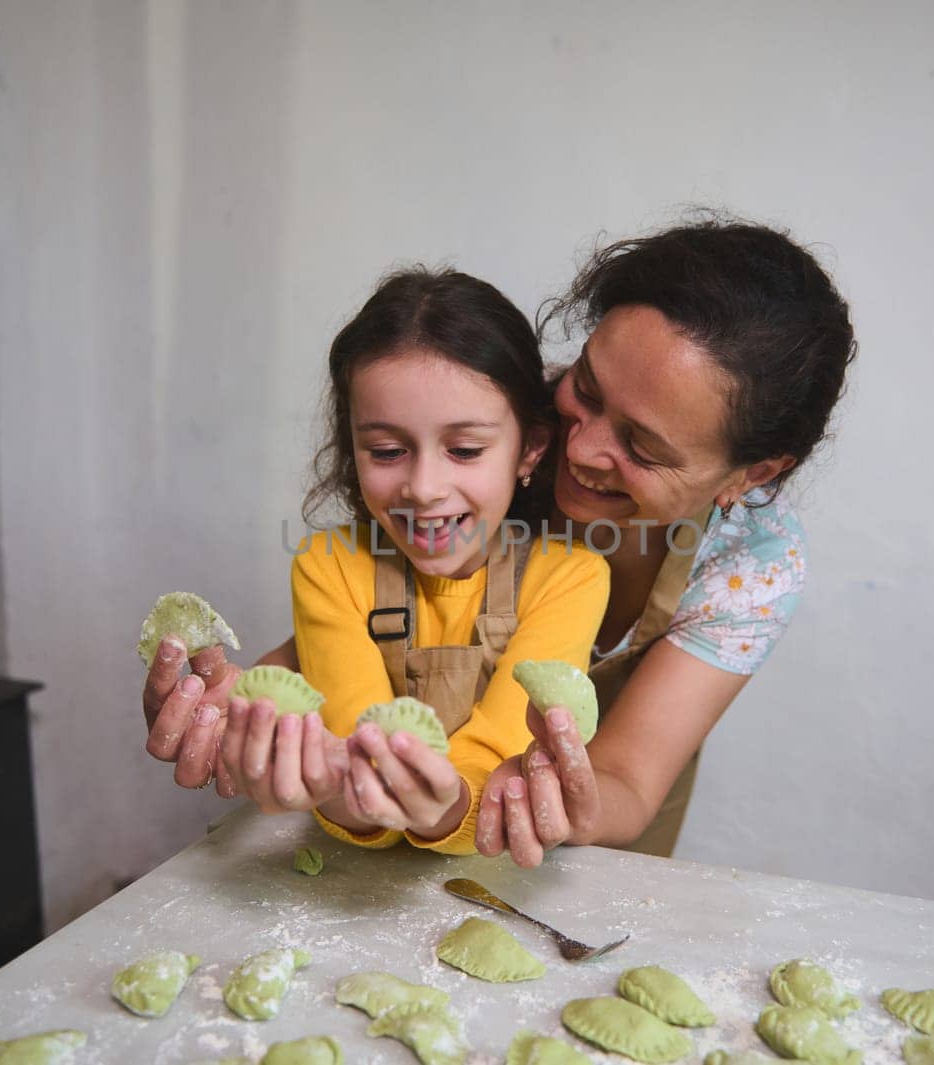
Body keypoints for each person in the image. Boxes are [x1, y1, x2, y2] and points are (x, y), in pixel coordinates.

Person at [143, 216, 854, 867]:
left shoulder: (751, 563)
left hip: (577, 843)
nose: (582, 446)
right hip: (372, 827)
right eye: (588, 387)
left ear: (752, 473)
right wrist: (239, 706)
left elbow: (630, 776)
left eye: (640, 445)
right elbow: (366, 609)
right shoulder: (492, 430)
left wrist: (525, 797)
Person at [145, 268, 609, 855]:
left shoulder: (569, 578)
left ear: (531, 448)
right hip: (351, 874)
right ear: (353, 448)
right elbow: (353, 738)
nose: (424, 487)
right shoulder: (330, 566)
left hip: (507, 868)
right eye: (387, 451)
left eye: (465, 450)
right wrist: (335, 784)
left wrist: (445, 808)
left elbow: (499, 758)